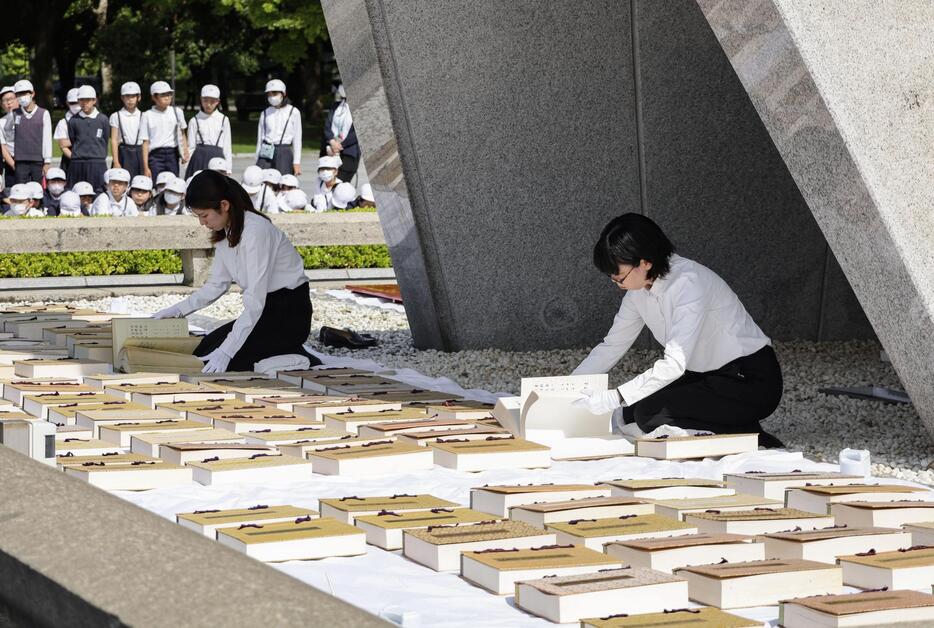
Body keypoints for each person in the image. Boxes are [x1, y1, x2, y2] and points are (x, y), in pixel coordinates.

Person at [573, 213, 784, 447]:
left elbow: (674, 363)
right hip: (704, 376)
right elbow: (612, 345)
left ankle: (756, 438)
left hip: (748, 379)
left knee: (649, 416)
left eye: (619, 277)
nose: (617, 284)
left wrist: (616, 396)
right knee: (629, 413)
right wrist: (568, 388)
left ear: (645, 262)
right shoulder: (638, 291)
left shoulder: (689, 282)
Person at [152, 170, 320, 372]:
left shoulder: (256, 231)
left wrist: (228, 351)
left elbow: (255, 301)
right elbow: (217, 284)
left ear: (224, 205)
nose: (202, 223)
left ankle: (298, 357)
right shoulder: (226, 232)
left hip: (288, 314)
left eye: (204, 215)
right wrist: (177, 310)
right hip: (265, 311)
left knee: (227, 362)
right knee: (203, 351)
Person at [5, 80, 53, 184]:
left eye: (25, 93)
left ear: (32, 93)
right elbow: (7, 135)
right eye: (19, 94)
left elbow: (47, 138)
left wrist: (47, 161)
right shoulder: (14, 114)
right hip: (20, 162)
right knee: (21, 192)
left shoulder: (44, 113)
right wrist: (13, 154)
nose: (22, 97)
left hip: (38, 161)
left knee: (38, 191)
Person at [66, 85, 109, 193]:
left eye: (88, 100)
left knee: (99, 192)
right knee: (77, 192)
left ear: (94, 100)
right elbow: (73, 139)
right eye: (81, 100)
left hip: (97, 162)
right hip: (78, 162)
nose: (84, 103)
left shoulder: (103, 119)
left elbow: (104, 139)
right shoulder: (73, 120)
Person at [142, 81, 188, 182]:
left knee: (173, 183)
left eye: (169, 94)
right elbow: (145, 142)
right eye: (163, 95)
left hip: (172, 153)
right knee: (158, 184)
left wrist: (185, 151)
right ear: (154, 97)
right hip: (155, 155)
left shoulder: (177, 112)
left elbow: (182, 133)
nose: (167, 97)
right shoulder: (147, 115)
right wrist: (145, 167)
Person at [255, 79, 301, 176]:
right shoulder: (265, 113)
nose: (272, 97)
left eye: (275, 93)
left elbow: (297, 139)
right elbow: (260, 138)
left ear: (283, 93)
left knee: (282, 182)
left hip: (284, 151)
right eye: (269, 94)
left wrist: (296, 162)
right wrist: (257, 159)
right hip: (266, 150)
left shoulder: (293, 112)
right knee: (262, 180)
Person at [187, 84, 232, 175]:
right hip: (199, 158)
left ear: (218, 101)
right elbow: (190, 146)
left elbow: (227, 146)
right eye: (205, 100)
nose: (208, 104)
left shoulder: (224, 120)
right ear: (201, 100)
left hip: (218, 158)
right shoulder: (194, 120)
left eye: (212, 101)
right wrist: (188, 165)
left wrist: (228, 167)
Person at [321, 84, 359, 183]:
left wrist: (340, 145)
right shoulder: (335, 106)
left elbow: (355, 134)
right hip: (331, 150)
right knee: (327, 183)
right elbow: (327, 126)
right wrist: (332, 142)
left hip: (348, 153)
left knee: (340, 186)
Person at [110, 81, 145, 178]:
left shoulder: (144, 116)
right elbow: (114, 140)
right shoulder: (116, 116)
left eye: (133, 96)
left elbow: (147, 141)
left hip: (139, 152)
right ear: (122, 98)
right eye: (127, 96)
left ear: (139, 97)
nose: (130, 100)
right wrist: (116, 161)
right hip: (123, 152)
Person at [54, 87, 80, 174]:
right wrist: (75, 158)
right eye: (72, 103)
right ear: (67, 103)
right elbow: (62, 145)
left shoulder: (90, 119)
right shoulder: (63, 122)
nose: (76, 105)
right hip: (69, 160)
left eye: (78, 102)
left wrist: (71, 140)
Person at [0, 86, 16, 190]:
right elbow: (3, 147)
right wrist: (14, 165)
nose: (8, 103)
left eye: (11, 99)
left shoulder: (28, 117)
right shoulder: (1, 122)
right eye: (5, 100)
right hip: (11, 162)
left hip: (31, 161)